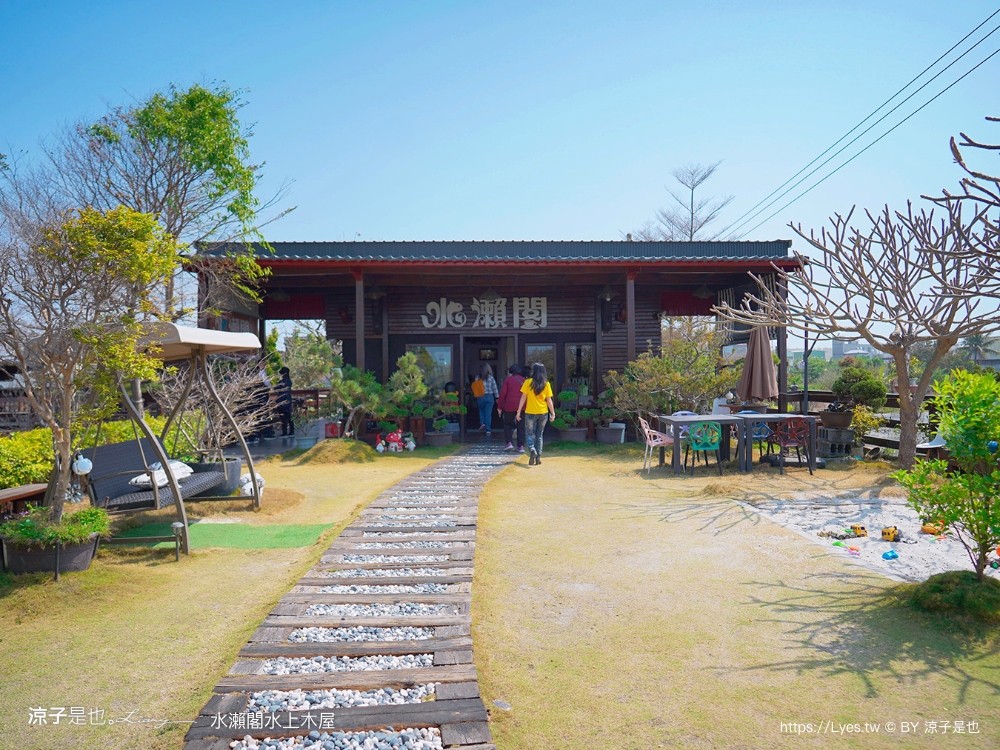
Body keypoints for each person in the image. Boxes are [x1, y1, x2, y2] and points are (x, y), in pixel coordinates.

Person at [516, 362, 555, 466]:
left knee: (529, 434)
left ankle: (532, 450)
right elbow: (549, 400)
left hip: (530, 412)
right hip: (543, 412)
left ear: (533, 371)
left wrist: (519, 411)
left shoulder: (528, 382)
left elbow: (523, 397)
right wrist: (553, 413)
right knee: (539, 435)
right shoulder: (546, 384)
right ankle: (538, 457)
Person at [497, 363, 526, 452]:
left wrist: (499, 407)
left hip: (509, 406)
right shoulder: (524, 380)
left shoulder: (508, 380)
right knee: (520, 426)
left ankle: (509, 443)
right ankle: (520, 446)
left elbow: (502, 394)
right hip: (522, 406)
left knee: (507, 424)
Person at [475, 363, 498, 433]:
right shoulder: (491, 378)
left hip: (480, 397)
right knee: (488, 413)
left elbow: (476, 389)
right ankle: (488, 429)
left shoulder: (477, 378)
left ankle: (482, 423)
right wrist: (497, 397)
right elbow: (495, 388)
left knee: (481, 411)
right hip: (489, 396)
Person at [276, 366, 293, 436]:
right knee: (288, 417)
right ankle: (291, 431)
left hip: (281, 401)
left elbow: (276, 388)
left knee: (283, 418)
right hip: (287, 400)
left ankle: (285, 432)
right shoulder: (289, 381)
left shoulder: (282, 382)